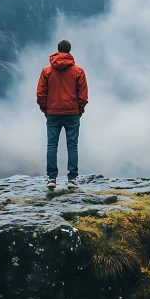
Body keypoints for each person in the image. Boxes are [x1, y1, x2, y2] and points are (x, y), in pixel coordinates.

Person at [36, 39, 88, 190]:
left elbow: (40, 94)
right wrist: (80, 110)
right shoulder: (78, 71)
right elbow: (83, 96)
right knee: (72, 145)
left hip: (52, 112)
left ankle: (51, 178)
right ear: (70, 51)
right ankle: (72, 179)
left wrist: (46, 109)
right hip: (72, 113)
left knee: (52, 144)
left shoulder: (46, 71)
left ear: (57, 50)